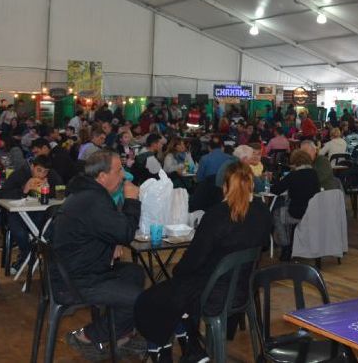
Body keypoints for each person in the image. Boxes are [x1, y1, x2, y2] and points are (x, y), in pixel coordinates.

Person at [135, 161, 271, 363]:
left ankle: (166, 352)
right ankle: (191, 346)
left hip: (211, 293)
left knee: (150, 299)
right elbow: (264, 247)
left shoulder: (217, 215)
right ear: (251, 184)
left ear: (224, 186)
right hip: (243, 289)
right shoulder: (263, 213)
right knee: (173, 298)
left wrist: (179, 272)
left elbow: (194, 260)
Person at [52, 150, 144, 351]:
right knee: (139, 299)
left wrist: (113, 242)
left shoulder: (87, 194)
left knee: (134, 273)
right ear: (102, 176)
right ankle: (87, 336)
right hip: (76, 280)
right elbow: (126, 232)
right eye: (119, 171)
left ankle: (120, 333)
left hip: (77, 268)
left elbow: (103, 230)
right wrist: (131, 200)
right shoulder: (94, 200)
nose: (123, 176)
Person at [0, 155, 63, 272]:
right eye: (39, 170)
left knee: (52, 230)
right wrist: (24, 189)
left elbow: (61, 190)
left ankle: (49, 263)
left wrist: (50, 191)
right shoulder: (20, 174)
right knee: (19, 231)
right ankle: (27, 255)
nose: (42, 175)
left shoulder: (52, 175)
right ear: (32, 167)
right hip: (19, 213)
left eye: (45, 172)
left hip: (42, 214)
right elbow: (3, 193)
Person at [271, 149, 321, 261]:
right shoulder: (314, 174)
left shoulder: (293, 175)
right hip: (312, 213)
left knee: (277, 214)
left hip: (296, 213)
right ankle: (293, 245)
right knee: (285, 211)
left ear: (294, 162)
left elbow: (275, 190)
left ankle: (286, 246)